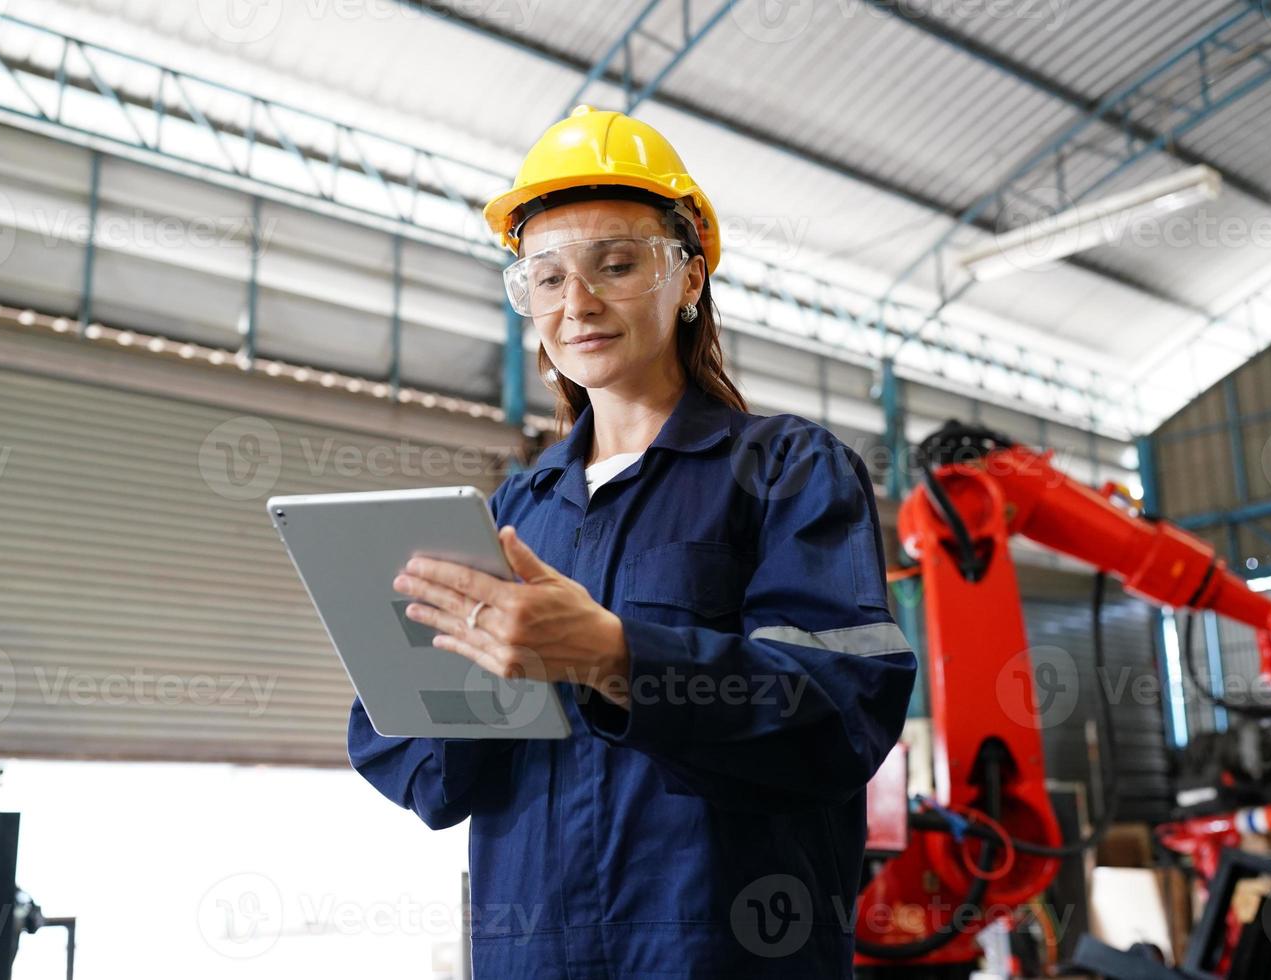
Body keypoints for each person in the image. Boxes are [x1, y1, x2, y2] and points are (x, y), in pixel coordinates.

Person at [349, 104, 917, 978]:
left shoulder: (787, 470)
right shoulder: (513, 512)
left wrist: (617, 657)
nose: (577, 303)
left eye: (616, 265)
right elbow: (417, 769)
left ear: (689, 279)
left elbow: (842, 712)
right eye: (545, 278)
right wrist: (461, 677)